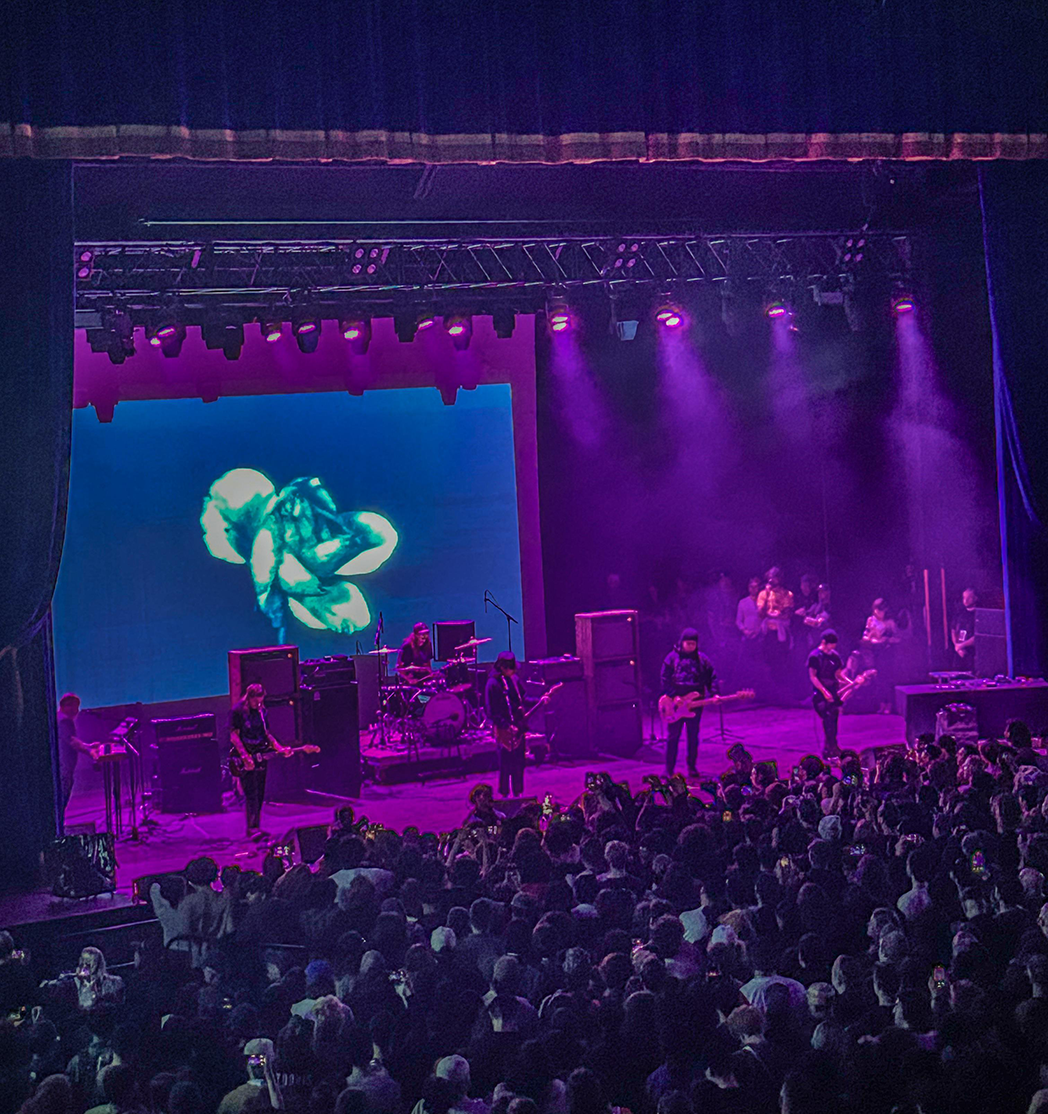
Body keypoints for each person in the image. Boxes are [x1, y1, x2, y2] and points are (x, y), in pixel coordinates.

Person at [229, 683, 292, 837]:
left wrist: (279, 747)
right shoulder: (238, 711)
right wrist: (244, 756)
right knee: (251, 792)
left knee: (260, 792)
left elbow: (267, 734)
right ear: (249, 698)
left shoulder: (262, 712)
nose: (258, 704)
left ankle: (256, 826)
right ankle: (252, 828)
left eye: (260, 701)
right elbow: (234, 736)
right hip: (245, 756)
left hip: (260, 755)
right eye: (255, 701)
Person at [659, 628, 718, 780]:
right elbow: (664, 679)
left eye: (693, 644)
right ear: (682, 642)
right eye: (688, 643)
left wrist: (714, 693)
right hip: (676, 704)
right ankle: (669, 769)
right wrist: (674, 696)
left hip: (696, 704)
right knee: (673, 737)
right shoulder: (671, 658)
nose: (691, 646)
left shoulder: (702, 660)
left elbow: (711, 677)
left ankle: (692, 767)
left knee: (693, 736)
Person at [485, 652, 529, 798]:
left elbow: (523, 699)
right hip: (504, 729)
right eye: (511, 668)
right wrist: (505, 725)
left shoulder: (514, 680)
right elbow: (492, 711)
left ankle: (518, 792)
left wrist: (540, 700)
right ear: (502, 668)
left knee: (519, 763)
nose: (514, 671)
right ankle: (504, 795)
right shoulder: (493, 684)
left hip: (518, 727)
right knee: (505, 765)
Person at [807, 631, 846, 760]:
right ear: (824, 642)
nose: (832, 648)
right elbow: (813, 676)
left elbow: (838, 674)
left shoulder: (835, 656)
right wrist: (824, 691)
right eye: (830, 645)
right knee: (828, 718)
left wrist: (851, 683)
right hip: (820, 693)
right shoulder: (815, 656)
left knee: (834, 719)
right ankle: (829, 748)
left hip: (833, 691)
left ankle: (832, 746)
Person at [56, 693, 95, 820]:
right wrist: (90, 752)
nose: (77, 711)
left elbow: (70, 739)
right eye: (74, 707)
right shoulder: (65, 721)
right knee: (62, 800)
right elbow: (72, 742)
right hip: (64, 767)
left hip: (62, 767)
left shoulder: (58, 718)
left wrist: (88, 746)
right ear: (65, 706)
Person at [757, 568, 793, 697]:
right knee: (767, 661)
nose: (772, 580)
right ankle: (769, 690)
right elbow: (760, 613)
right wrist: (767, 595)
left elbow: (787, 614)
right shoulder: (763, 594)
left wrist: (776, 615)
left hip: (780, 635)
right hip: (768, 634)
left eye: (775, 577)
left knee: (781, 662)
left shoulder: (787, 594)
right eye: (770, 577)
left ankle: (783, 690)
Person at [861, 599, 899, 714]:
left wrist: (885, 640)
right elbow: (865, 636)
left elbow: (897, 638)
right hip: (875, 652)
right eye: (877, 610)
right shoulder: (871, 621)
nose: (879, 613)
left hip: (886, 652)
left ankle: (889, 704)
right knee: (878, 679)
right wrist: (870, 637)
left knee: (887, 679)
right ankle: (881, 704)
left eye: (881, 610)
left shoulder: (889, 623)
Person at [951, 588, 978, 671]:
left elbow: (978, 636)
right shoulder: (960, 613)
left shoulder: (978, 615)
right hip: (958, 652)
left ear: (975, 598)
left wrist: (962, 645)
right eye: (964, 598)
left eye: (969, 598)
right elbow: (953, 630)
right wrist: (957, 646)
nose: (965, 601)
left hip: (971, 652)